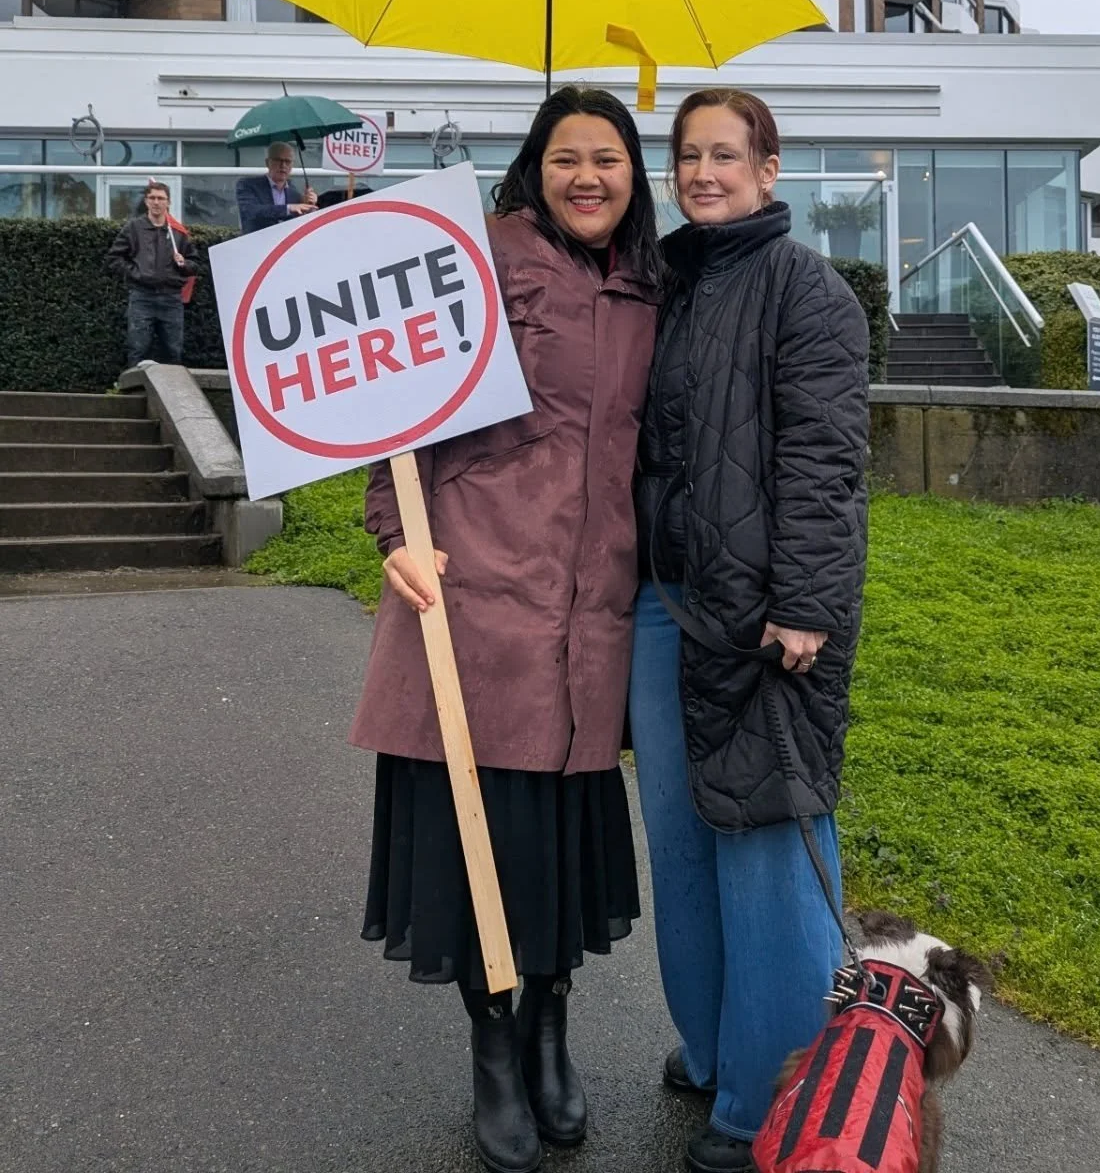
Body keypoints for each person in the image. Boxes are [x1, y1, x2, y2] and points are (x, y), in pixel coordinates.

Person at [349, 87, 664, 1173]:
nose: (589, 177)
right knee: (481, 841)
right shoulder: (477, 258)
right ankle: (493, 1046)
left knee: (562, 848)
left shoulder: (650, 288)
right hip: (477, 593)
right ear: (536, 166)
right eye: (568, 157)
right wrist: (395, 530)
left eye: (610, 160)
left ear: (636, 176)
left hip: (593, 614)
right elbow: (391, 407)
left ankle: (549, 1026)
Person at [628, 89, 871, 1173]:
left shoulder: (805, 291)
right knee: (683, 843)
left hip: (769, 623)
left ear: (770, 169)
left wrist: (808, 604)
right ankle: (716, 1045)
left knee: (767, 845)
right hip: (665, 605)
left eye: (725, 154)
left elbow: (825, 462)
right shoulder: (669, 286)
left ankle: (770, 1099)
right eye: (687, 155)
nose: (703, 172)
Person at [103, 181, 201, 369]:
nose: (157, 202)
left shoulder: (178, 233)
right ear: (146, 201)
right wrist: (136, 274)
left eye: (161, 198)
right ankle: (135, 395)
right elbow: (114, 258)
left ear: (168, 203)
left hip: (171, 298)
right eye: (152, 198)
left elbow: (194, 265)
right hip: (142, 297)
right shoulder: (134, 228)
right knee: (137, 349)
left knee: (173, 352)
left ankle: (173, 395)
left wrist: (184, 264)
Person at [235, 142, 317, 234]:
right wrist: (288, 208)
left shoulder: (294, 193)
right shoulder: (247, 185)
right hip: (256, 243)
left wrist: (308, 204)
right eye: (278, 160)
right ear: (267, 162)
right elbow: (250, 211)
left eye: (287, 161)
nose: (283, 165)